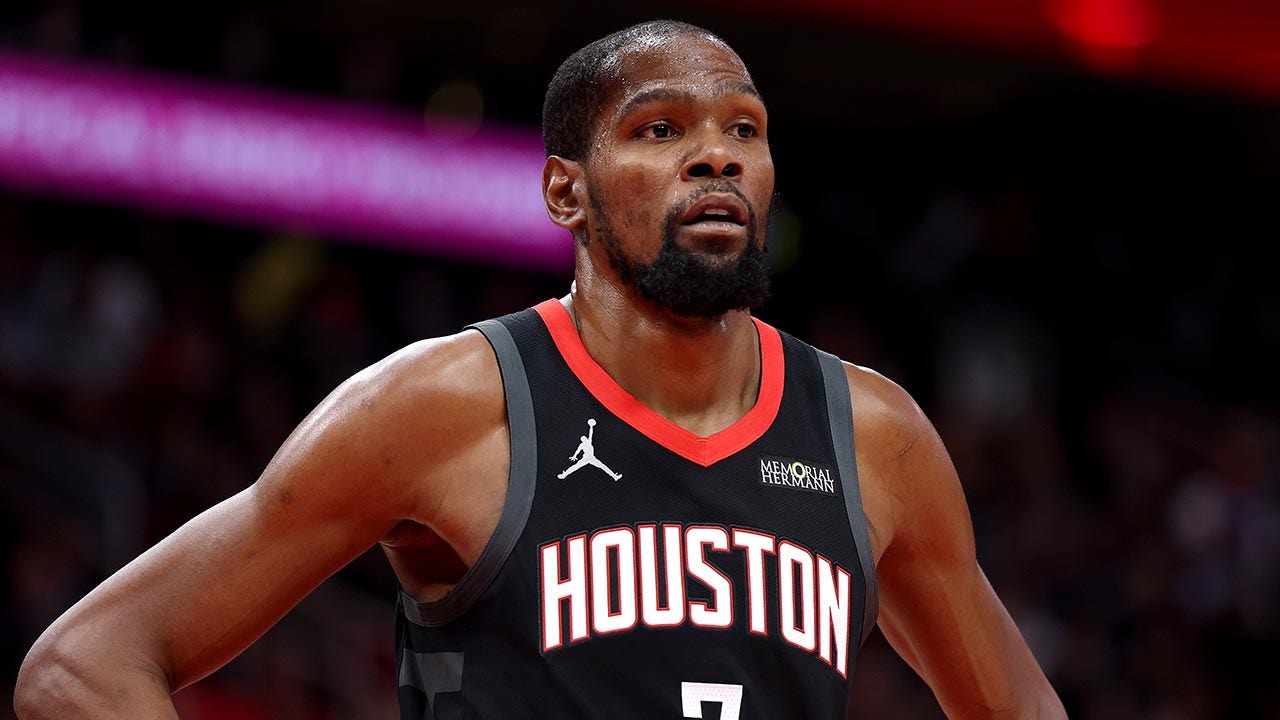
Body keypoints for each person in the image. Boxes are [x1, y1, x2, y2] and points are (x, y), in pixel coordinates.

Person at [14, 20, 1066, 719]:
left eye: (742, 129)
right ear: (566, 193)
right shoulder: (443, 406)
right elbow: (83, 666)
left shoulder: (872, 436)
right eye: (661, 129)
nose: (716, 155)